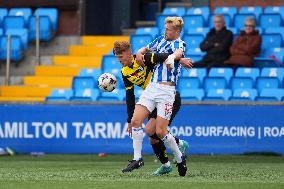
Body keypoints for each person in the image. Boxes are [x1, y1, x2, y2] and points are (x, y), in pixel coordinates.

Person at [113, 41, 192, 176]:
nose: (119, 61)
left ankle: (178, 150)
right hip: (152, 99)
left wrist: (179, 59)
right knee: (152, 136)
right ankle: (166, 164)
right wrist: (129, 120)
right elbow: (130, 96)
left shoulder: (142, 58)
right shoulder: (125, 72)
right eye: (117, 58)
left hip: (168, 96)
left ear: (128, 53)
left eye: (120, 57)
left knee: (154, 132)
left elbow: (163, 56)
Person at [133, 16, 188, 176]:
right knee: (136, 120)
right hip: (152, 88)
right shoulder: (160, 40)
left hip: (166, 91)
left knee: (161, 132)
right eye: (165, 28)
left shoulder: (180, 43)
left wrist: (172, 57)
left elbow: (178, 53)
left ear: (177, 31)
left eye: (169, 30)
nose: (165, 31)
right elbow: (145, 49)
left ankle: (179, 158)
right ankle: (137, 158)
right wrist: (139, 52)